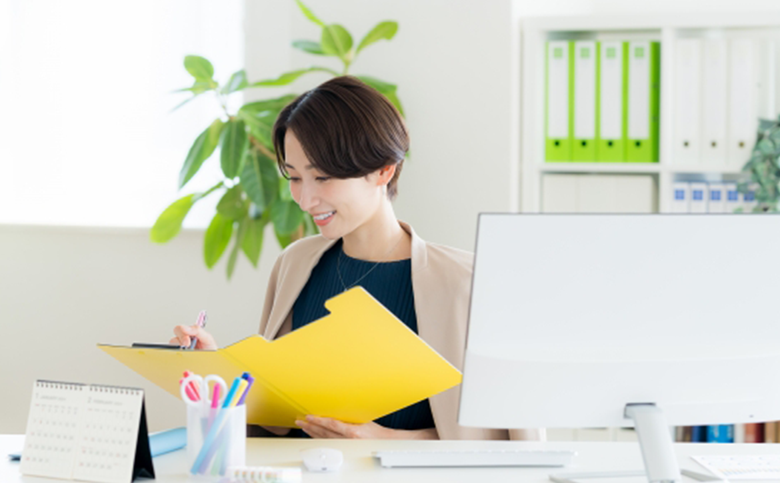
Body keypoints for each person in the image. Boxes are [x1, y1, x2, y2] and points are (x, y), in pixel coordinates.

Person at [171, 76, 539, 441]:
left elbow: (501, 443)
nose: (305, 200)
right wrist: (214, 372)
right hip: (295, 478)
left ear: (383, 170)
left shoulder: (466, 283)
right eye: (294, 178)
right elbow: (273, 418)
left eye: (323, 177)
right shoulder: (294, 264)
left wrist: (384, 441)